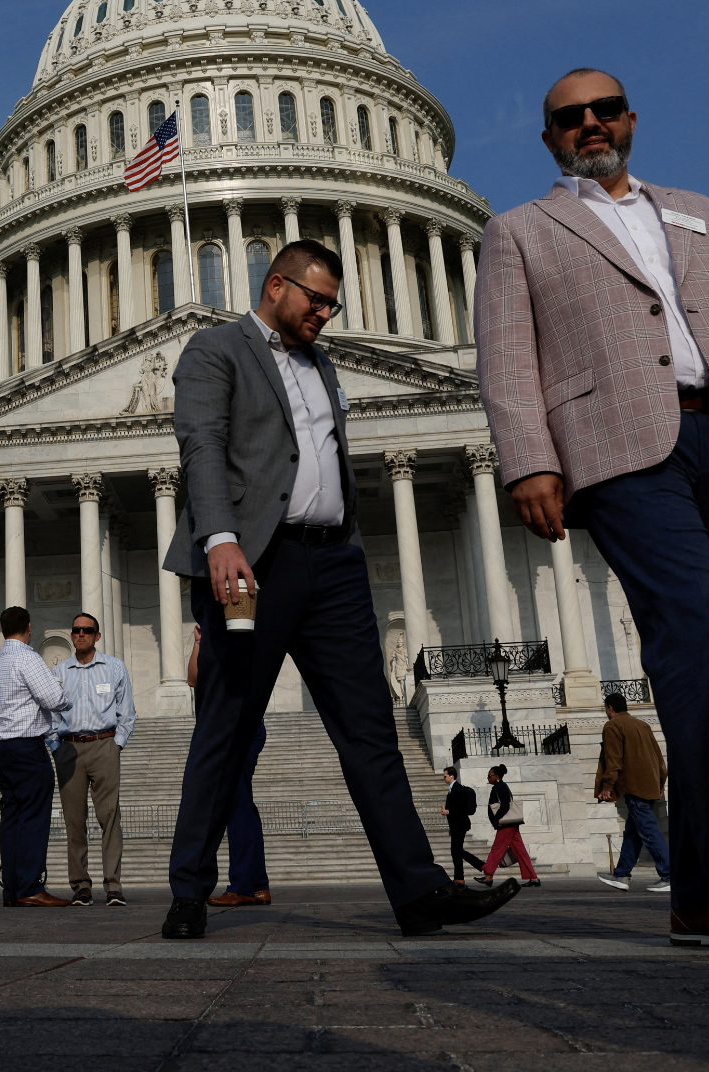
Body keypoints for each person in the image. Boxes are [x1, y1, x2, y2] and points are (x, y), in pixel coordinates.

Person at [476, 67, 709, 953]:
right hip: (619, 448)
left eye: (604, 111)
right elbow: (506, 353)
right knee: (699, 629)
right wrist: (529, 458)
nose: (590, 126)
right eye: (571, 118)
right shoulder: (519, 231)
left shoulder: (702, 212)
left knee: (707, 662)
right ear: (550, 137)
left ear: (630, 120)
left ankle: (695, 895)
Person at [159, 241, 515, 940]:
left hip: (334, 566)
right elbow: (199, 444)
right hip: (253, 564)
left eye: (333, 304)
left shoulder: (323, 363)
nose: (326, 313)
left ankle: (418, 893)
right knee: (226, 729)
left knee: (371, 732)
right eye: (315, 299)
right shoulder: (215, 350)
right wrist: (220, 538)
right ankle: (189, 890)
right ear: (275, 285)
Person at [0, 606, 69, 907]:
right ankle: (31, 886)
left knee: (12, 816)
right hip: (26, 746)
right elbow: (52, 697)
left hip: (0, 747)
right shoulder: (27, 657)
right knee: (34, 816)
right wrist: (67, 700)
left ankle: (13, 889)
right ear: (29, 628)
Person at [55, 612, 134, 906]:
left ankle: (113, 884)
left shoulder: (114, 667)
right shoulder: (60, 671)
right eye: (76, 630)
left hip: (104, 744)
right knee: (74, 821)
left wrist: (117, 745)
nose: (80, 634)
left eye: (87, 630)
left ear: (97, 636)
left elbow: (127, 711)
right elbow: (50, 714)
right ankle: (80, 885)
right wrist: (55, 745)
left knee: (110, 817)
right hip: (70, 748)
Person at [191, 625, 269, 908]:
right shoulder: (212, 647)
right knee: (242, 806)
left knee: (236, 807)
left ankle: (243, 886)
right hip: (223, 730)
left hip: (240, 729)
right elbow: (193, 678)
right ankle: (258, 885)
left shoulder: (243, 644)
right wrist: (200, 642)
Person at [594, 693, 672, 892]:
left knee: (648, 830)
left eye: (605, 708)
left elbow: (613, 760)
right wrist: (660, 783)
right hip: (650, 784)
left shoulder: (612, 726)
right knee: (633, 832)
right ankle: (622, 875)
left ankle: (670, 875)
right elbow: (659, 758)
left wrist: (607, 787)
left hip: (634, 785)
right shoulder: (642, 725)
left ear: (610, 708)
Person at [479, 765, 541, 888]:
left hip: (506, 825)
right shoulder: (500, 786)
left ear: (497, 776)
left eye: (490, 775)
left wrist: (497, 819)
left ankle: (488, 875)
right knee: (520, 851)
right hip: (511, 825)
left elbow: (506, 805)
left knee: (497, 849)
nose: (488, 778)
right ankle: (533, 878)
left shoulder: (500, 786)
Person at [441, 768, 487, 882]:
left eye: (445, 776)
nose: (444, 778)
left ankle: (478, 867)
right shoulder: (451, 790)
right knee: (456, 851)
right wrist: (451, 826)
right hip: (456, 825)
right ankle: (460, 877)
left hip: (460, 824)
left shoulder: (458, 789)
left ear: (452, 776)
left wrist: (448, 811)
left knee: (456, 851)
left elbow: (462, 807)